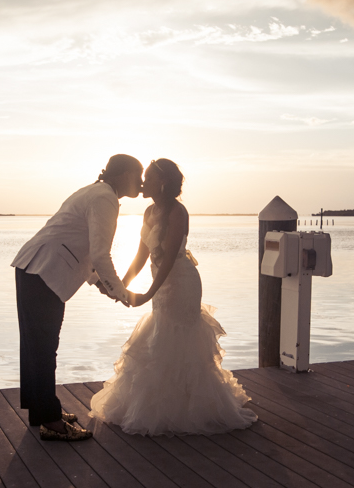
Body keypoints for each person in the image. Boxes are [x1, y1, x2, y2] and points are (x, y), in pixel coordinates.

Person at [89, 159, 258, 435]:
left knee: (181, 339)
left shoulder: (177, 212)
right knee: (160, 339)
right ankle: (162, 404)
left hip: (180, 281)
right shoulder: (148, 212)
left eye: (149, 177)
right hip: (160, 283)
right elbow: (142, 256)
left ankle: (190, 407)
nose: (142, 182)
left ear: (163, 183)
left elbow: (168, 259)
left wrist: (149, 293)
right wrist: (120, 285)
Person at [12, 154, 144, 441]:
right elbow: (99, 253)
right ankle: (51, 421)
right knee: (44, 347)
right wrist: (122, 292)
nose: (142, 182)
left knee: (36, 346)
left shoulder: (93, 191)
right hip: (44, 271)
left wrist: (98, 282)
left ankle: (41, 411)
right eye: (139, 174)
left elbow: (81, 246)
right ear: (122, 175)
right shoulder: (104, 198)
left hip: (34, 268)